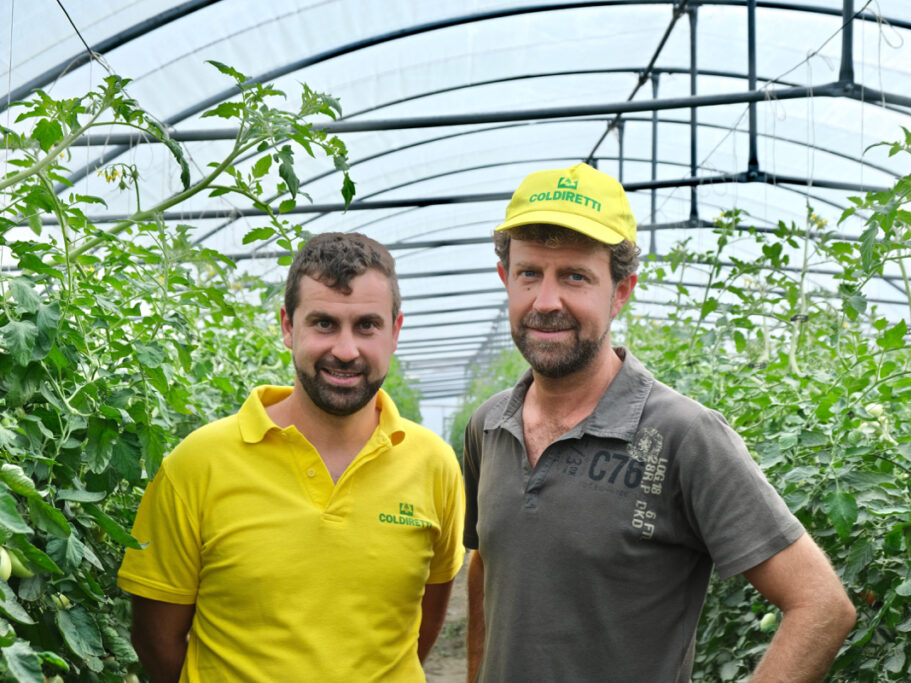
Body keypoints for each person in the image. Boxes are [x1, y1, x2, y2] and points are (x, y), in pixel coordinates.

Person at [463, 163, 856, 682]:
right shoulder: (489, 426)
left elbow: (822, 606)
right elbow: (487, 570)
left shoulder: (683, 435)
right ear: (505, 278)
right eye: (529, 273)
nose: (546, 301)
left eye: (575, 276)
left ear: (621, 291)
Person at [118, 232, 465, 682]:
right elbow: (155, 638)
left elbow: (424, 617)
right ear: (287, 326)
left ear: (394, 332)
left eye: (367, 325)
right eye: (323, 323)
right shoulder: (196, 465)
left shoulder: (433, 464)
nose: (345, 350)